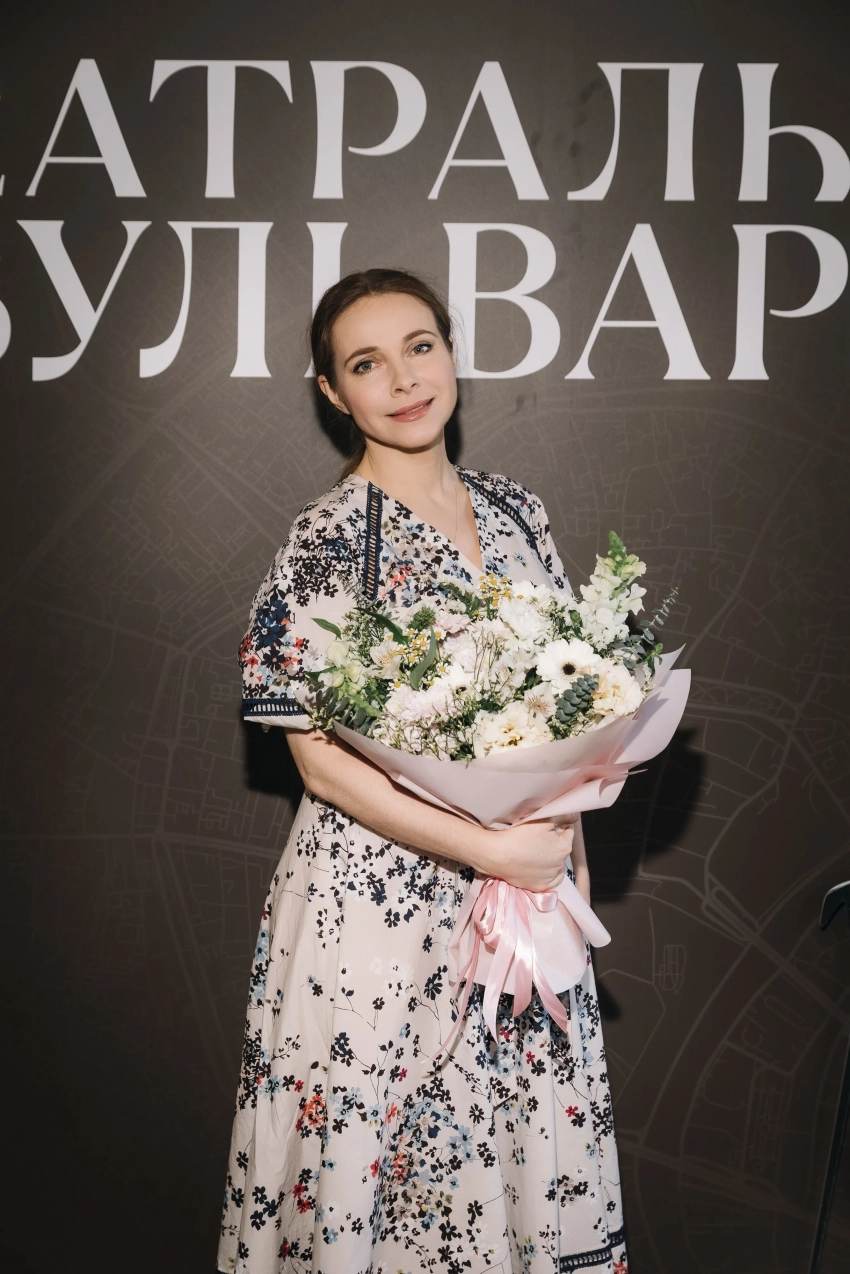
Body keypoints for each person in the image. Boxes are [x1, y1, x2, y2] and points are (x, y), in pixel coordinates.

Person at [217, 269, 627, 1274]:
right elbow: (317, 762)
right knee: (381, 1182)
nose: (403, 380)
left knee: (519, 1165)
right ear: (332, 392)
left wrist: (564, 856)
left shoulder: (518, 511)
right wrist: (488, 848)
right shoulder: (325, 539)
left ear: (450, 352)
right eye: (366, 363)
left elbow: (569, 701)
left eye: (419, 346)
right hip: (374, 911)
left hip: (522, 901)